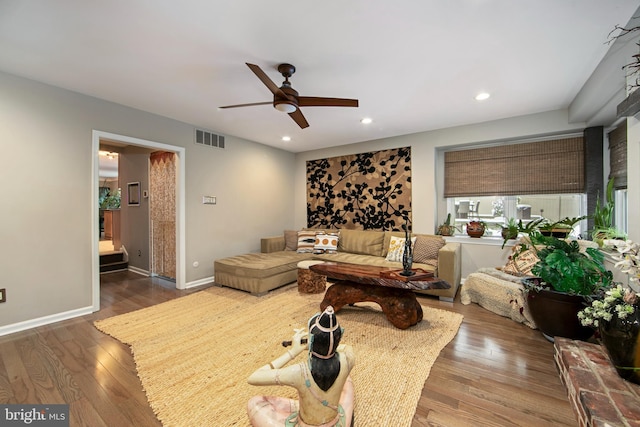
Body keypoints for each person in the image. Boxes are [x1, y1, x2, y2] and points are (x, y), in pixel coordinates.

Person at [247, 306, 355, 427]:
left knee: (254, 403)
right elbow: (343, 347)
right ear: (340, 334)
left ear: (312, 339)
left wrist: (292, 352)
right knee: (346, 379)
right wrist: (321, 345)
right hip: (336, 422)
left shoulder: (298, 372)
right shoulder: (348, 358)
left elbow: (253, 377)